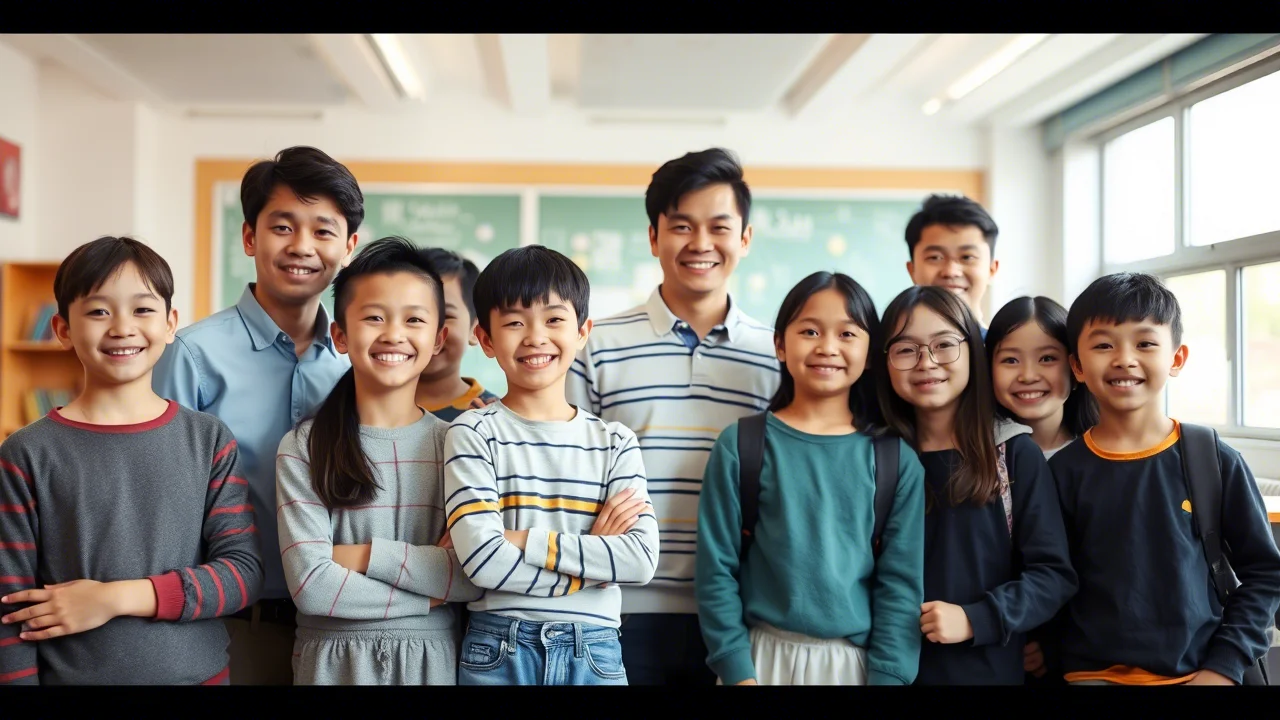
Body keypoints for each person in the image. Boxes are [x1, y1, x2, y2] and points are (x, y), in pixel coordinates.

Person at [0, 236, 263, 685]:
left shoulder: (208, 439)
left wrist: (113, 598)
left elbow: (241, 574)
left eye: (142, 310)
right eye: (99, 311)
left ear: (170, 323)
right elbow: (9, 606)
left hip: (199, 678)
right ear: (63, 329)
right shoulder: (26, 453)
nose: (122, 327)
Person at [565, 148, 779, 685]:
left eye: (719, 227)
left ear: (745, 239)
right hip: (617, 612)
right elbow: (565, 472)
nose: (701, 244)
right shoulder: (597, 346)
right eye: (682, 226)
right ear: (654, 237)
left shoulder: (778, 356)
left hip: (741, 615)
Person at [152, 146, 360, 684]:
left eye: (323, 231)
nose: (302, 247)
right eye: (283, 227)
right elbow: (162, 501)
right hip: (229, 626)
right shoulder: (193, 356)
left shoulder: (355, 364)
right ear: (249, 237)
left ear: (349, 246)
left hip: (340, 625)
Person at [444, 245, 659, 685]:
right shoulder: (472, 433)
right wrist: (589, 566)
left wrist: (520, 538)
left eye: (554, 319)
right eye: (515, 322)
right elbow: (483, 562)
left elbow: (638, 559)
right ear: (485, 339)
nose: (535, 337)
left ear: (583, 331)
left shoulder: (615, 442)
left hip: (595, 649)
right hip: (499, 646)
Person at [1051, 272, 1280, 685]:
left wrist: (1224, 667)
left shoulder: (1213, 459)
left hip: (1200, 674)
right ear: (1078, 366)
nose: (1124, 358)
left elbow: (1266, 573)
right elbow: (1049, 577)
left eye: (1145, 343)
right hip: (1087, 674)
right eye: (1103, 345)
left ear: (1176, 358)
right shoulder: (1062, 473)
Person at [696, 271, 924, 686]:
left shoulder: (894, 459)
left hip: (853, 666)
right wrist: (736, 670)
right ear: (780, 344)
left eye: (848, 334)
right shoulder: (742, 444)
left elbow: (900, 586)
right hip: (756, 660)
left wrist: (889, 678)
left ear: (871, 351)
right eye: (810, 331)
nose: (828, 347)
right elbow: (716, 570)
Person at [276, 237, 481, 685]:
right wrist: (425, 593)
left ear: (437, 338)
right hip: (329, 662)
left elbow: (471, 577)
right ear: (341, 336)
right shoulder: (304, 446)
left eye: (414, 319)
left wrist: (359, 555)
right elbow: (312, 586)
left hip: (435, 660)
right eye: (373, 317)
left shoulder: (461, 445)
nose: (393, 334)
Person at [876, 285, 1076, 684]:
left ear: (973, 352)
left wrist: (975, 618)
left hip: (985, 669)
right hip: (883, 669)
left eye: (945, 344)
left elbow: (1053, 575)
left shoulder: (1013, 453)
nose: (927, 362)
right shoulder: (875, 455)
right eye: (905, 349)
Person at [985, 295, 1101, 682]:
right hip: (997, 648)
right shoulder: (978, 460)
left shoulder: (1101, 457)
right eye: (1010, 359)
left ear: (1075, 366)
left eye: (1047, 358)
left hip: (1090, 658)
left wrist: (1052, 645)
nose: (1028, 375)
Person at [414, 247, 498, 420]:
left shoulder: (490, 416)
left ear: (475, 329)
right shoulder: (360, 408)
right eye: (414, 317)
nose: (430, 330)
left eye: (446, 315)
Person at [903, 194, 1000, 337]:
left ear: (991, 270)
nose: (951, 271)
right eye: (935, 257)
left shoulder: (1005, 354)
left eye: (967, 257)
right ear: (912, 270)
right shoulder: (891, 351)